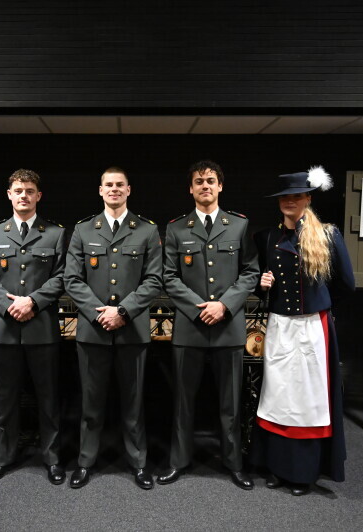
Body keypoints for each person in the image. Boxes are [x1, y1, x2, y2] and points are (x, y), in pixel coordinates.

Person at [250, 167, 355, 496]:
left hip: (312, 327)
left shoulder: (328, 235)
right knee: (278, 396)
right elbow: (257, 283)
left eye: (296, 196)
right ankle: (276, 467)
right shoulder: (267, 237)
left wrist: (321, 306)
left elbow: (346, 284)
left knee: (308, 400)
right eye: (285, 197)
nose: (290, 201)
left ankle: (303, 472)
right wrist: (262, 284)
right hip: (280, 326)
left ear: (308, 198)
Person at [158, 160, 259, 490]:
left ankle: (233, 463)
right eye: (199, 181)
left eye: (211, 180)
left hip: (228, 328)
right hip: (190, 328)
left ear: (220, 186)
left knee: (231, 403)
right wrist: (198, 309)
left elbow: (250, 272)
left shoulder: (239, 225)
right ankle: (178, 461)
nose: (205, 185)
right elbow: (169, 277)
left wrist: (224, 306)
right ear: (191, 189)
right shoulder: (177, 228)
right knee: (182, 402)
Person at [63, 166, 162, 490]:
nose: (114, 189)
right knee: (91, 404)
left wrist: (123, 311)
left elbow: (154, 280)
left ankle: (139, 463)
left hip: (132, 331)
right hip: (93, 332)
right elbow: (72, 280)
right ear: (101, 190)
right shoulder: (83, 230)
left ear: (128, 190)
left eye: (120, 184)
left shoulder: (147, 230)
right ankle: (85, 462)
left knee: (134, 404)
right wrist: (99, 314)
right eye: (109, 184)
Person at [0, 169, 67, 486]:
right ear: (9, 195)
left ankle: (52, 459)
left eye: (29, 191)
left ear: (38, 196)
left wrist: (33, 302)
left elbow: (62, 277)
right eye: (18, 190)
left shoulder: (55, 234)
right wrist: (9, 305)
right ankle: (3, 458)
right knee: (5, 399)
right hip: (4, 329)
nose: (24, 196)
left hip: (41, 328)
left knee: (48, 398)